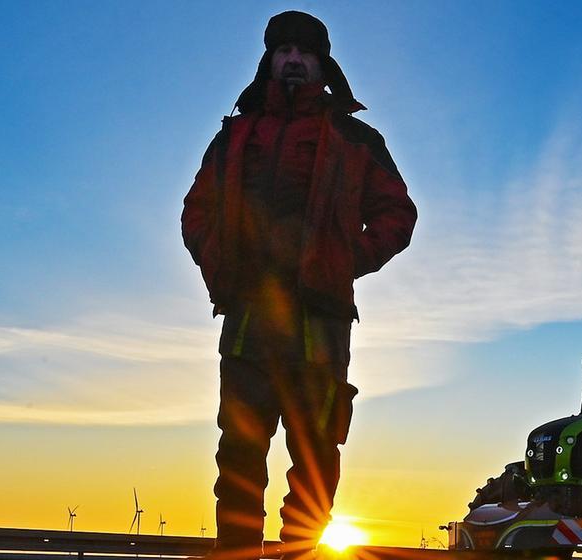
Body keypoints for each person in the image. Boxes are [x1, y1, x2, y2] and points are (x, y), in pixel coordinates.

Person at [181, 10, 417, 559]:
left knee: (315, 456)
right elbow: (197, 212)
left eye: (304, 52)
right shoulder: (234, 136)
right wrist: (224, 271)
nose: (292, 59)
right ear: (269, 60)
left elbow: (397, 215)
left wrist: (343, 262)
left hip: (320, 322)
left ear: (322, 64)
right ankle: (235, 553)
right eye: (282, 50)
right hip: (248, 320)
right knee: (238, 456)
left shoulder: (356, 139)